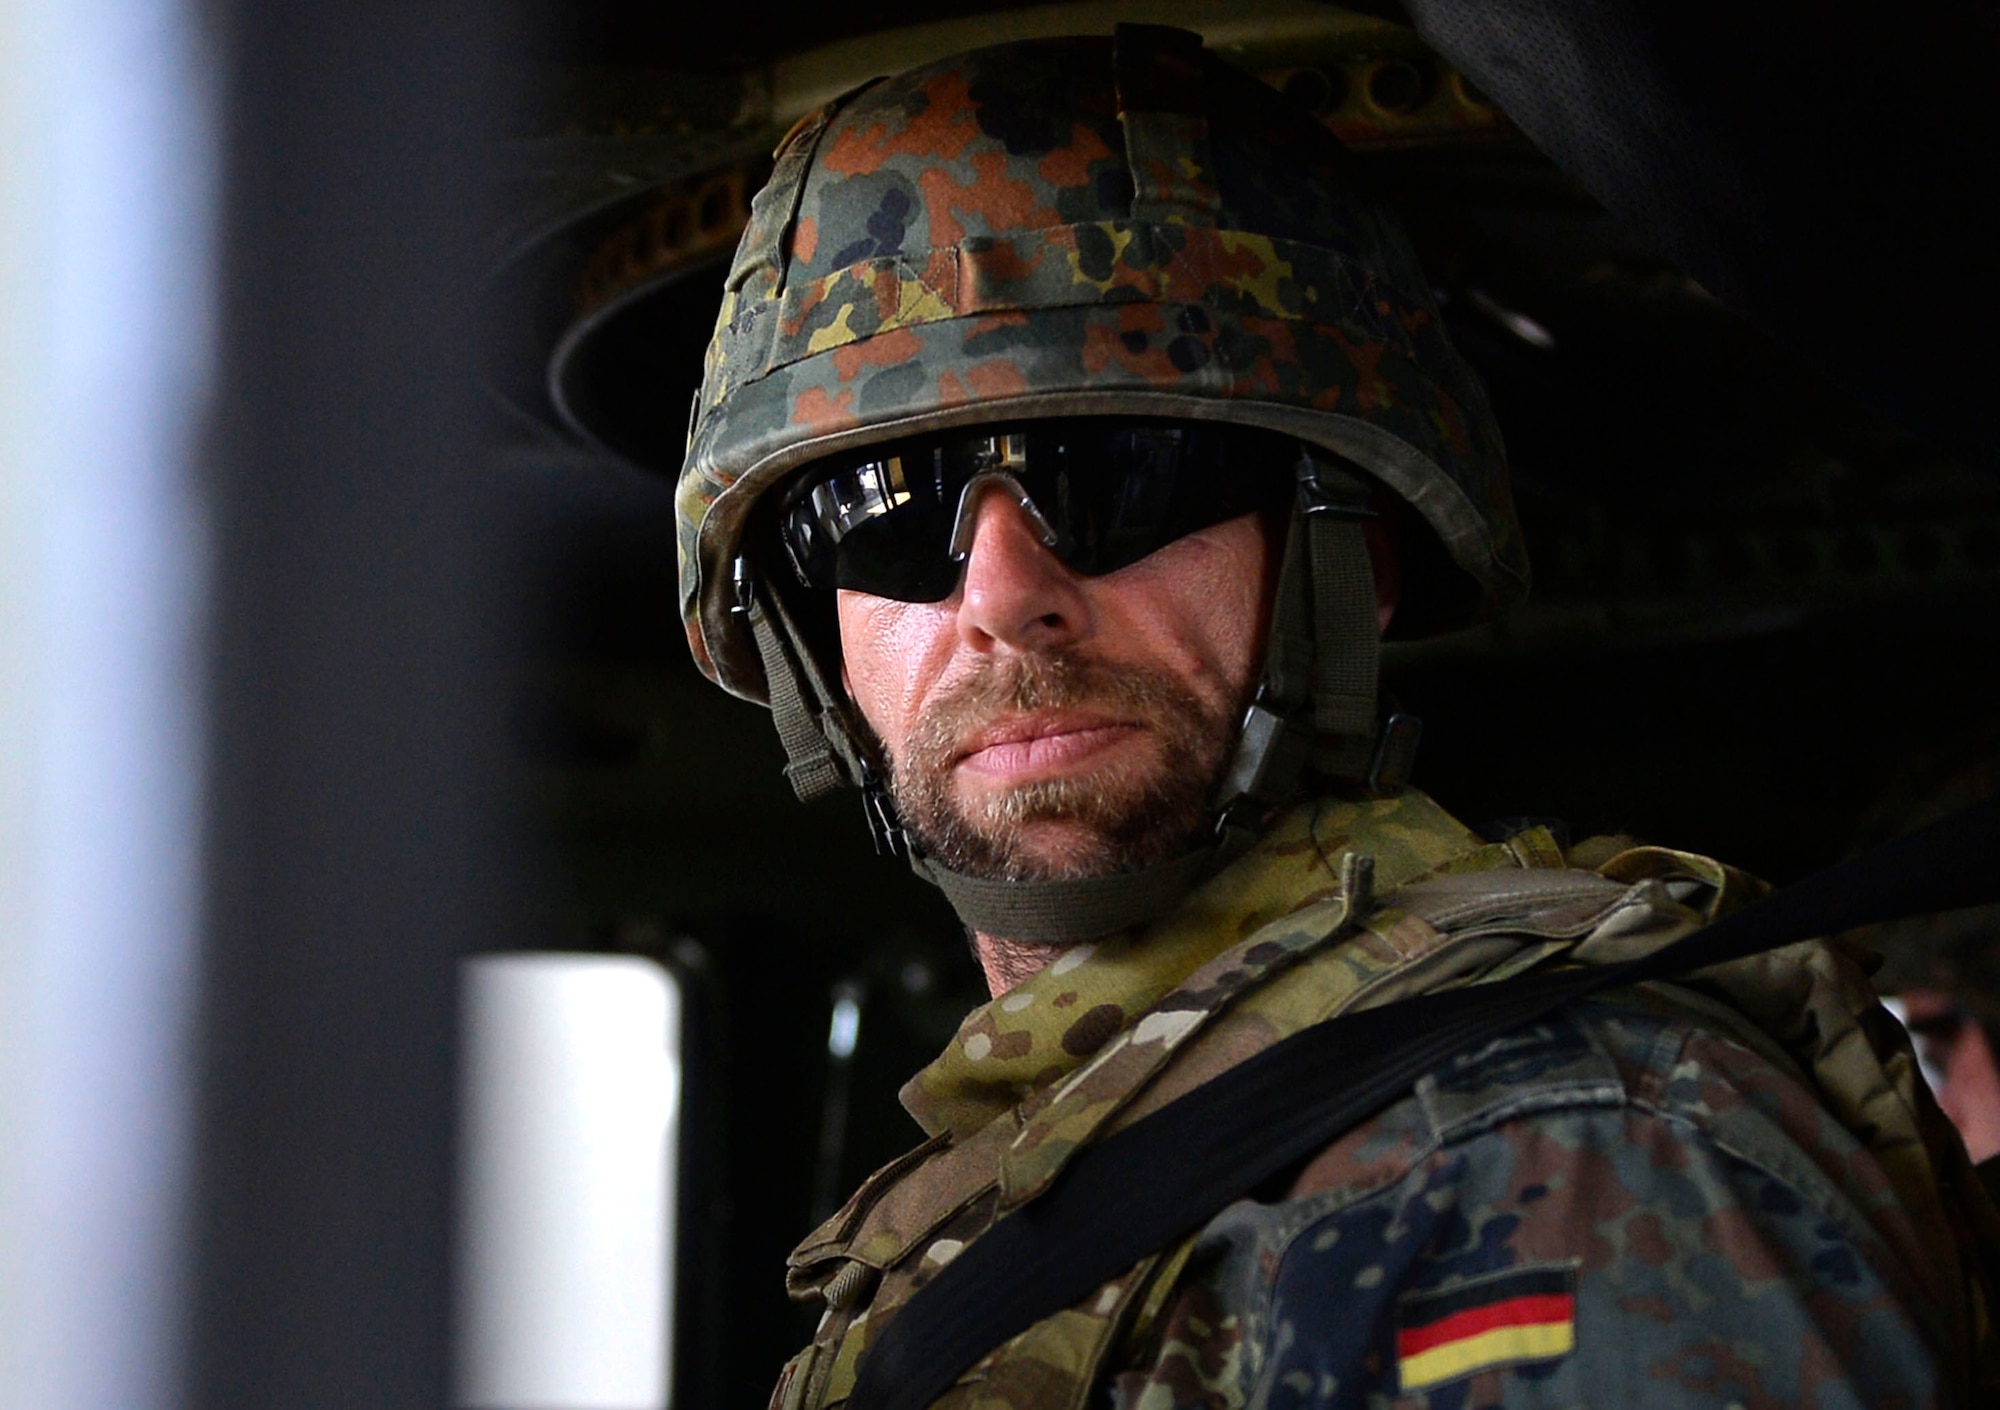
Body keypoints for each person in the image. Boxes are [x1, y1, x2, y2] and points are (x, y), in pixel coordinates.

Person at [674, 27, 2000, 1407]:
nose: (1007, 597)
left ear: (1343, 563)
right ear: (803, 629)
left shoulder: (1545, 1158)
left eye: (1126, 470)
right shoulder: (1032, 1170)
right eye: (882, 514)